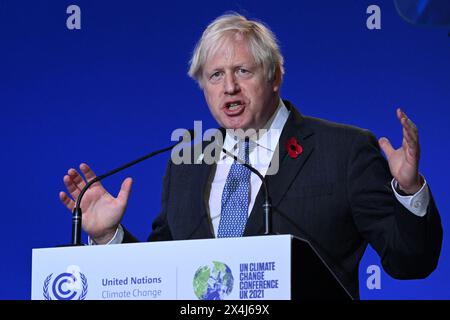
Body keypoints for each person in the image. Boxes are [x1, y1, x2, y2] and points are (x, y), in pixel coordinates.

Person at [59, 13, 442, 298]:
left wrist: (408, 192)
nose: (229, 88)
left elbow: (411, 263)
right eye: (215, 76)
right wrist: (109, 236)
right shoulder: (185, 165)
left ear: (275, 76)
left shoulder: (343, 151)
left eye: (243, 71)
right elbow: (164, 277)